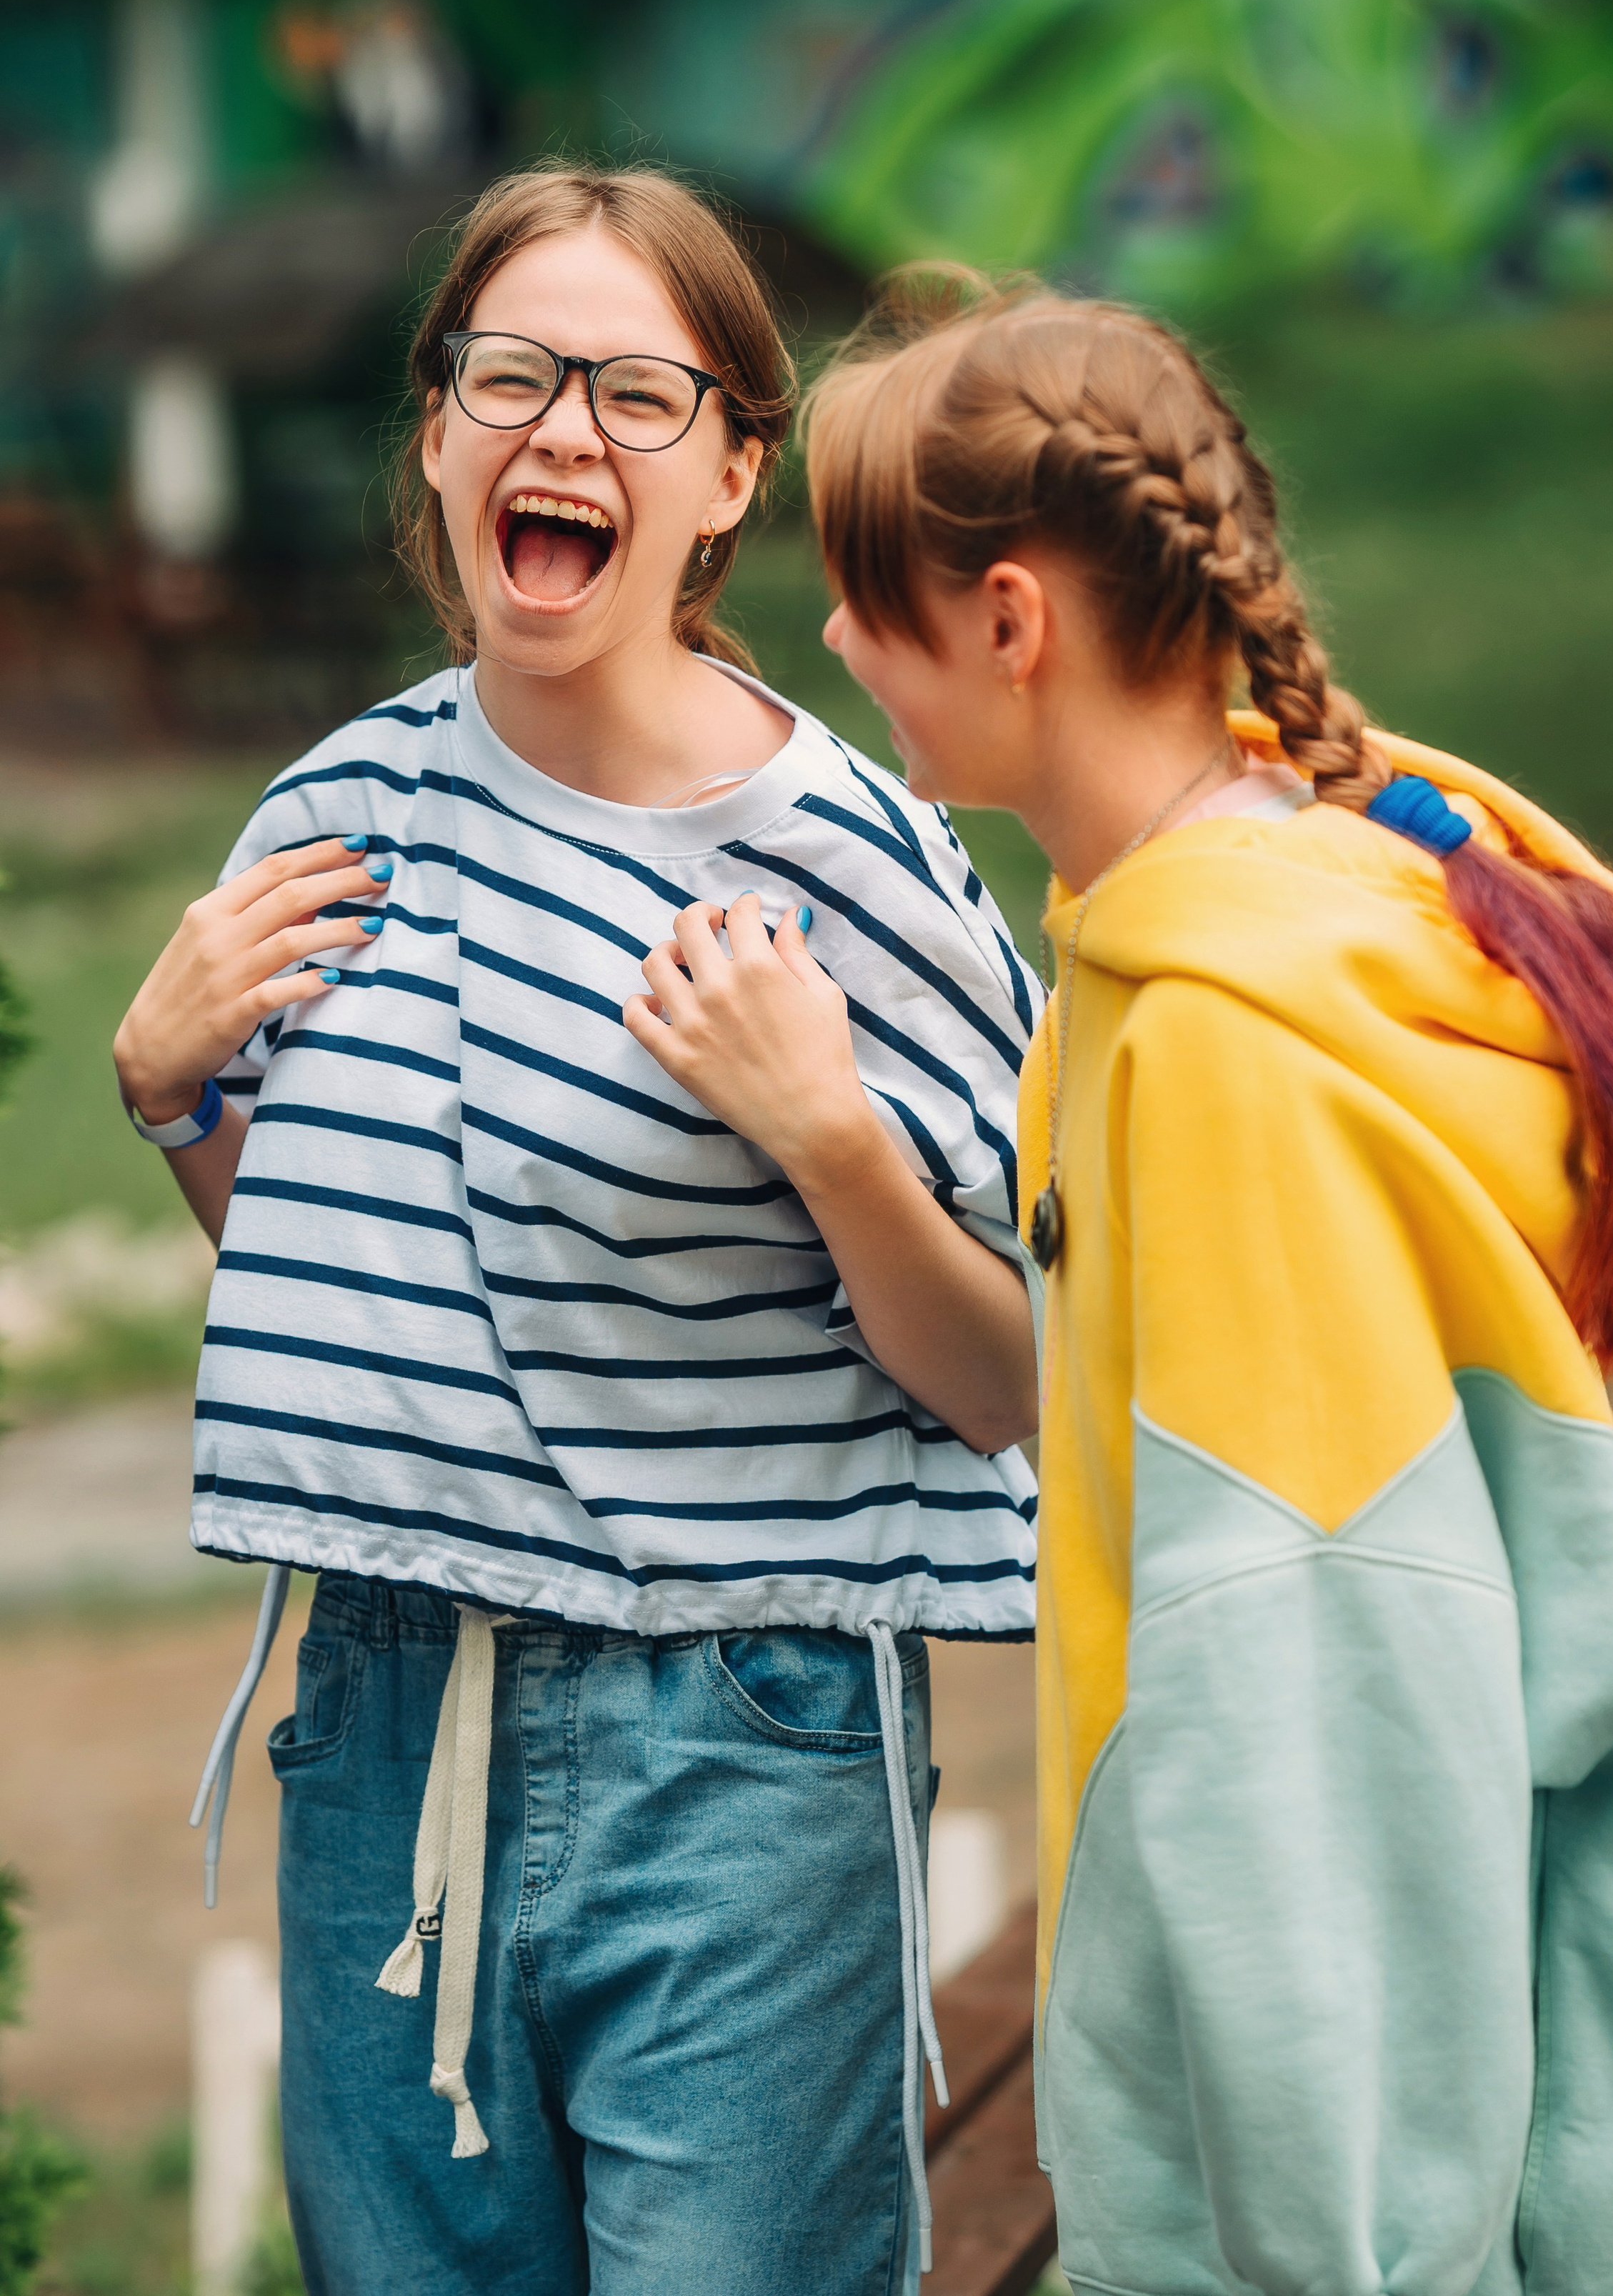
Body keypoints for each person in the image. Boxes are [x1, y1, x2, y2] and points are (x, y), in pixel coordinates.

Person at [803, 273, 1613, 2296]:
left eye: (862, 592)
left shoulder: (1226, 1049)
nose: (826, 640)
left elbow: (1324, 1733)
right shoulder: (1232, 927)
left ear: (1011, 620)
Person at [111, 171, 1042, 2296]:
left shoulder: (861, 867)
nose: (563, 435)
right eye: (512, 375)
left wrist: (833, 1140)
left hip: (744, 1736)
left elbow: (1012, 1381)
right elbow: (342, 1288)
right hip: (384, 1701)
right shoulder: (325, 825)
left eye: (638, 393)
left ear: (733, 472)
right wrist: (170, 1093)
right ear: (437, 432)